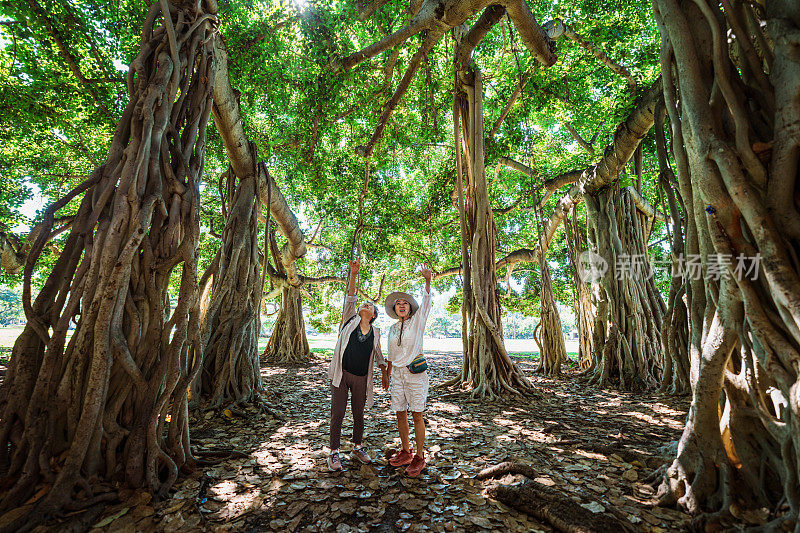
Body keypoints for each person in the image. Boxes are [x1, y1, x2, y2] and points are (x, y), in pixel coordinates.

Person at [327, 259, 388, 471]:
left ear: (373, 315)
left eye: (369, 306)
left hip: (362, 378)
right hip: (342, 375)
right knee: (338, 413)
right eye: (364, 304)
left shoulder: (376, 332)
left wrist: (385, 372)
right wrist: (353, 274)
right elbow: (351, 298)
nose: (365, 305)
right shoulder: (349, 320)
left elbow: (379, 356)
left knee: (358, 414)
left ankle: (357, 446)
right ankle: (334, 451)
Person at [384, 264, 432, 477]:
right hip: (397, 375)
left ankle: (420, 455)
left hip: (415, 374)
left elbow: (427, 303)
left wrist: (427, 281)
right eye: (398, 304)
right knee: (399, 413)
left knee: (417, 415)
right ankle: (405, 450)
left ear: (411, 308)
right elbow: (390, 356)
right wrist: (387, 374)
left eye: (405, 303)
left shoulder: (417, 322)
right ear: (394, 310)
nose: (402, 305)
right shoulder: (392, 329)